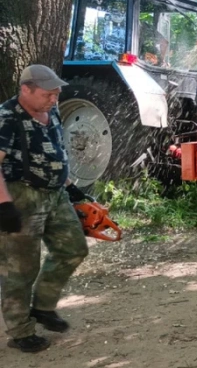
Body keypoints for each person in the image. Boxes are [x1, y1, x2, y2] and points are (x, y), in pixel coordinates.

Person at [0, 65, 90, 353]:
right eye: (48, 94)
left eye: (56, 94)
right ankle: (20, 331)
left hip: (55, 194)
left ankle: (43, 306)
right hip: (20, 195)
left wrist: (68, 184)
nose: (54, 99)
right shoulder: (6, 117)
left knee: (73, 249)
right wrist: (4, 205)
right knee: (20, 268)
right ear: (26, 89)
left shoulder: (51, 109)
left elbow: (54, 149)